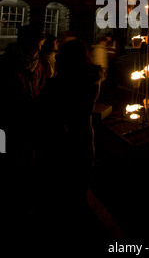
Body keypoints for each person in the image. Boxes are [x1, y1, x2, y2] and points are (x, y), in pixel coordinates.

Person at [38, 39, 103, 209]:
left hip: (60, 134)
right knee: (81, 172)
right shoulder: (92, 79)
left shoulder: (57, 84)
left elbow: (46, 109)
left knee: (60, 176)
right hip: (83, 129)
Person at [0, 25, 46, 212]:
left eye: (40, 45)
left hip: (31, 119)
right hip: (11, 119)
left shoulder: (39, 64)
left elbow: (41, 87)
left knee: (29, 159)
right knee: (11, 158)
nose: (38, 49)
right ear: (24, 43)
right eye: (35, 45)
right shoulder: (7, 64)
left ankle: (24, 194)